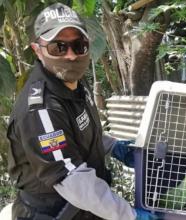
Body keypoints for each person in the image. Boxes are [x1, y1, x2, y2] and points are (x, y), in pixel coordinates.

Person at [7, 3, 156, 220]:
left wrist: (112, 145)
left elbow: (77, 128)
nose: (70, 56)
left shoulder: (74, 79)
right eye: (58, 47)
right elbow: (72, 179)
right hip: (55, 212)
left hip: (85, 208)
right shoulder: (41, 110)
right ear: (37, 50)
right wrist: (129, 215)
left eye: (79, 46)